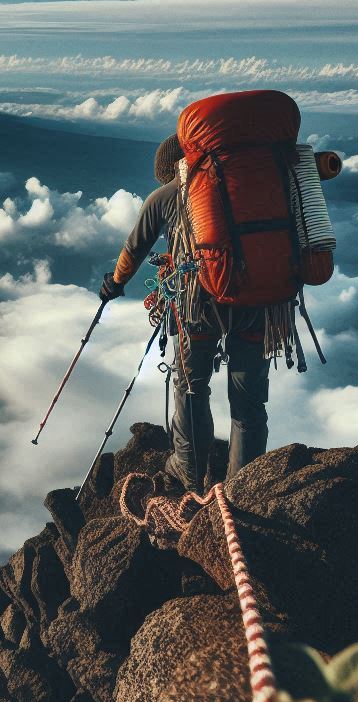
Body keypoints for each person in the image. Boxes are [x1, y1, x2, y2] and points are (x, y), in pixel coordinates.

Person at [98, 134, 269, 491]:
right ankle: (246, 483)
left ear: (169, 169)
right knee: (248, 397)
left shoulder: (166, 196)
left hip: (198, 306)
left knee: (191, 387)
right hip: (256, 298)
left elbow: (133, 249)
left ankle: (189, 469)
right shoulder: (246, 187)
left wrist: (114, 284)